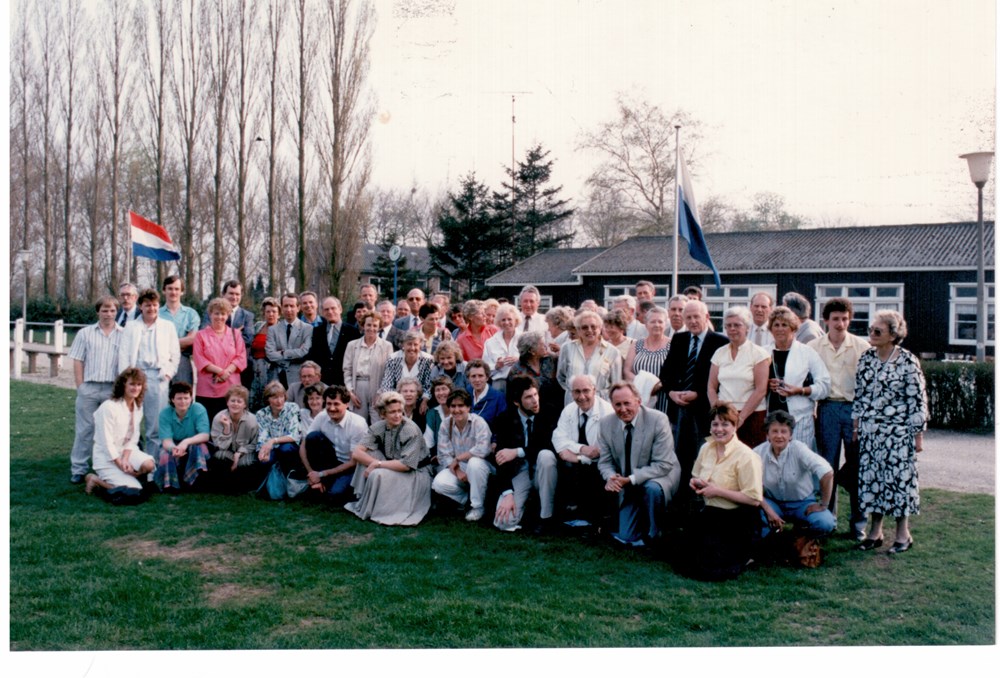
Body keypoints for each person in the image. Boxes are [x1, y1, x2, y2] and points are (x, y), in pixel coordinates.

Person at [853, 310, 928, 555]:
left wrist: (918, 435)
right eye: (870, 330)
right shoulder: (866, 358)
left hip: (898, 432)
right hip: (871, 432)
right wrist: (857, 427)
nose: (871, 335)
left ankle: (903, 533)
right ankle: (875, 532)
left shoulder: (907, 360)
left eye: (878, 331)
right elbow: (860, 395)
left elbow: (917, 400)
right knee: (872, 481)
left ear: (893, 335)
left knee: (899, 482)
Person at [808, 297, 871, 540]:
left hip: (854, 410)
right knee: (828, 465)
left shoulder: (862, 347)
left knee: (856, 467)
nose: (840, 323)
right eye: (835, 319)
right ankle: (828, 518)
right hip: (827, 409)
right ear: (826, 321)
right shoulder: (814, 347)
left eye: (845, 319)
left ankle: (858, 525)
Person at [680, 402, 764, 580]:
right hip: (711, 513)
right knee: (684, 558)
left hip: (737, 517)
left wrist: (717, 491)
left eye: (725, 424)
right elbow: (696, 475)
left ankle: (747, 555)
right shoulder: (706, 448)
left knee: (712, 567)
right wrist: (695, 483)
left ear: (735, 426)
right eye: (715, 424)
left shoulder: (746, 456)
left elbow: (754, 500)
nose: (719, 429)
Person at [597, 381, 681, 548]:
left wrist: (631, 479)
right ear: (612, 404)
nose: (623, 409)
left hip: (659, 477)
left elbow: (663, 464)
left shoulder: (658, 419)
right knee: (626, 536)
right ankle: (635, 524)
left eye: (627, 403)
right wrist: (610, 477)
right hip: (627, 482)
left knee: (652, 489)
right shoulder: (606, 423)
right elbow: (605, 462)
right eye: (617, 404)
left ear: (638, 401)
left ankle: (655, 534)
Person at [656, 299, 729, 480]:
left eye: (697, 316)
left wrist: (698, 394)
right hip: (678, 407)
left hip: (703, 409)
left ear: (706, 316)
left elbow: (721, 378)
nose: (693, 321)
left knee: (703, 456)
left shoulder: (720, 341)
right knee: (680, 456)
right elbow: (666, 373)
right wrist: (671, 392)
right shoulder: (679, 339)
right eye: (688, 317)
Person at [347, 391, 432, 525]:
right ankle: (364, 500)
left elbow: (406, 465)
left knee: (377, 473)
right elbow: (357, 453)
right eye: (392, 412)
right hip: (395, 464)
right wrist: (375, 462)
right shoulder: (378, 427)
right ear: (382, 414)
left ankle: (378, 508)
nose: (398, 415)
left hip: (416, 473)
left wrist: (378, 464)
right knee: (366, 456)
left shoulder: (410, 429)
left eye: (400, 411)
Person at [492, 375, 559, 533]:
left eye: (535, 394)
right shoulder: (505, 419)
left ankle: (545, 518)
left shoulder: (550, 412)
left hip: (544, 470)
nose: (535, 400)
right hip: (520, 471)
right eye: (528, 397)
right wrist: (508, 493)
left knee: (546, 455)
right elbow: (500, 459)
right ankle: (527, 511)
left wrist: (517, 451)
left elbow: (550, 445)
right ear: (517, 401)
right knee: (503, 522)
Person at [68, 296, 124, 484]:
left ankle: (108, 467)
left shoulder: (123, 334)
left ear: (117, 312)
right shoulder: (85, 333)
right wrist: (81, 386)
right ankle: (79, 468)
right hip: (90, 388)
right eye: (104, 310)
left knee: (110, 431)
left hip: (112, 389)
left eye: (112, 310)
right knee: (85, 430)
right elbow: (77, 359)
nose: (108, 314)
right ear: (98, 312)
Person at [754, 411, 836, 538]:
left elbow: (827, 472)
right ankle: (767, 544)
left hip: (802, 503)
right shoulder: (758, 452)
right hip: (773, 502)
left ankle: (802, 539)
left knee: (825, 522)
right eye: (774, 431)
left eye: (784, 431)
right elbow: (749, 483)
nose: (779, 436)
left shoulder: (799, 449)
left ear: (791, 435)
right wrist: (769, 510)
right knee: (753, 515)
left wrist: (823, 504)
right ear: (767, 435)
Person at [118, 288, 180, 451]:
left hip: (157, 377)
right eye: (147, 305)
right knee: (131, 421)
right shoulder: (131, 327)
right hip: (135, 377)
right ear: (140, 306)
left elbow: (175, 354)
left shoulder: (167, 326)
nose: (151, 309)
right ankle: (131, 461)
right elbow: (124, 354)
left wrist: (168, 374)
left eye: (154, 305)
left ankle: (153, 466)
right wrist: (126, 379)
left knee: (155, 425)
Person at [551, 374, 615, 527]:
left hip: (599, 465)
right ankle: (565, 515)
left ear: (595, 390)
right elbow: (558, 438)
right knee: (563, 467)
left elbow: (599, 452)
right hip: (576, 463)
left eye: (586, 391)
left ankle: (591, 518)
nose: (582, 396)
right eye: (577, 392)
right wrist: (581, 449)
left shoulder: (607, 412)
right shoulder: (569, 410)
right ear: (571, 393)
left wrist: (578, 456)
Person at [84, 367, 156, 503]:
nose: (136, 388)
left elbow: (134, 437)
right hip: (107, 456)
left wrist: (126, 459)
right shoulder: (108, 407)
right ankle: (96, 480)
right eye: (132, 384)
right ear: (123, 385)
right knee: (135, 492)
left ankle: (132, 477)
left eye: (139, 384)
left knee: (149, 465)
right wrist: (120, 464)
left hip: (125, 452)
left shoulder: (137, 406)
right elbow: (106, 443)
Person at [766, 306, 831, 450]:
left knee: (799, 464)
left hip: (800, 419)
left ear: (794, 329)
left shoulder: (807, 353)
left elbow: (825, 386)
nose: (780, 329)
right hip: (770, 420)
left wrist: (799, 390)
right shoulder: (763, 352)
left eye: (785, 325)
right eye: (776, 325)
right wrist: (766, 385)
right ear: (771, 329)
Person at [707, 306, 771, 447]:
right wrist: (717, 412)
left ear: (747, 328)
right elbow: (711, 387)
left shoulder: (759, 354)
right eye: (728, 326)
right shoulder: (719, 353)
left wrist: (740, 418)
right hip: (724, 416)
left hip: (752, 415)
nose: (732, 329)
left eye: (737, 325)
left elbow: (761, 390)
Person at [431, 389, 494, 520]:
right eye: (453, 406)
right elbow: (444, 454)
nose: (457, 410)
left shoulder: (478, 422)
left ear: (468, 407)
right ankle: (468, 500)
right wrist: (458, 471)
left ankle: (478, 507)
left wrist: (459, 458)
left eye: (461, 406)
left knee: (474, 463)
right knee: (438, 483)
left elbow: (483, 449)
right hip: (459, 467)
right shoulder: (446, 424)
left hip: (482, 466)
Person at [300, 385, 367, 504]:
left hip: (351, 467)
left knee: (335, 495)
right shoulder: (322, 416)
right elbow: (303, 445)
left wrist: (321, 474)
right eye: (328, 404)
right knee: (313, 437)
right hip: (330, 461)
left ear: (347, 404)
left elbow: (353, 462)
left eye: (336, 404)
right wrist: (312, 474)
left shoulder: (358, 424)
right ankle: (319, 484)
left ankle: (331, 486)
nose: (331, 408)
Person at [193, 297, 248, 422]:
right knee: (208, 423)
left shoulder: (236, 334)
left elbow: (241, 356)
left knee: (230, 423)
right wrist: (220, 371)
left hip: (231, 387)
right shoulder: (201, 335)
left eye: (223, 313)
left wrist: (227, 372)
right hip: (207, 388)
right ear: (210, 314)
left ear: (228, 315)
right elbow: (199, 358)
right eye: (216, 313)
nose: (219, 317)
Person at [154, 381, 211, 491]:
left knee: (200, 448)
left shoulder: (198, 408)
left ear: (191, 399)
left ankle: (198, 482)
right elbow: (166, 441)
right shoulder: (165, 413)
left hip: (195, 441)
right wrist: (174, 448)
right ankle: (170, 484)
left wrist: (186, 442)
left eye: (186, 398)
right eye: (179, 398)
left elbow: (204, 435)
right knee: (165, 453)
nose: (183, 401)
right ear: (172, 400)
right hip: (174, 443)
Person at [556, 310, 622, 405]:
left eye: (593, 327)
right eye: (584, 327)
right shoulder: (567, 348)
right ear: (578, 330)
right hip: (573, 402)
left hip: (601, 403)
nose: (590, 330)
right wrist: (575, 392)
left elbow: (616, 383)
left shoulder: (613, 352)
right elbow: (561, 376)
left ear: (600, 328)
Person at [208, 385, 262, 493]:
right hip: (226, 451)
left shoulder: (252, 420)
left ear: (245, 405)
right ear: (227, 402)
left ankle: (244, 488)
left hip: (245, 452)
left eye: (239, 401)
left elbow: (255, 443)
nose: (235, 404)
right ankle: (223, 487)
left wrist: (240, 453)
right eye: (232, 400)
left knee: (247, 463)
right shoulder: (219, 418)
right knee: (219, 456)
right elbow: (219, 445)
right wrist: (227, 429)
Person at [343, 311, 394, 423]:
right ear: (363, 325)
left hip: (377, 387)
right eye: (368, 325)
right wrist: (351, 392)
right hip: (358, 388)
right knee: (359, 423)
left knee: (378, 422)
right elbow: (347, 370)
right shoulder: (352, 345)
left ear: (380, 327)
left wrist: (381, 393)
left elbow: (389, 372)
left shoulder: (386, 346)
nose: (371, 328)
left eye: (375, 325)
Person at [306, 296, 360, 389]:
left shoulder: (352, 332)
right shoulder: (317, 331)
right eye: (326, 309)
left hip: (344, 383)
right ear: (322, 312)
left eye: (333, 308)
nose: (330, 312)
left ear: (340, 309)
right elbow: (313, 356)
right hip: (322, 384)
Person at [624, 306, 671, 412]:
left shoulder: (673, 344)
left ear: (666, 324)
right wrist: (647, 385)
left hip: (664, 396)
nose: (657, 325)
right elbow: (627, 371)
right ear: (646, 324)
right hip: (639, 395)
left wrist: (658, 386)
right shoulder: (636, 344)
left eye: (660, 321)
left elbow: (676, 372)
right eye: (653, 321)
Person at [255, 380, 303, 476]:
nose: (279, 401)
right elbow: (262, 436)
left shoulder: (292, 408)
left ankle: (292, 477)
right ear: (268, 399)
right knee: (264, 460)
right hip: (272, 448)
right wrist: (262, 451)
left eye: (281, 397)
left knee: (285, 449)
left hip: (289, 447)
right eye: (274, 397)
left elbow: (294, 435)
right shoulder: (261, 414)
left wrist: (273, 441)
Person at [265, 293, 313, 387]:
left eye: (292, 306)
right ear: (281, 308)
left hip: (297, 377)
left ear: (298, 308)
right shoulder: (273, 329)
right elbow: (270, 354)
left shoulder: (307, 329)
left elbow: (304, 351)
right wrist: (295, 353)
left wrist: (283, 353)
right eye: (285, 306)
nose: (288, 309)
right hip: (276, 376)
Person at [509, 331, 564, 412]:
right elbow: (513, 398)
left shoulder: (551, 359)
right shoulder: (517, 370)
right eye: (542, 344)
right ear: (532, 351)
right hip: (532, 412)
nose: (545, 346)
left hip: (555, 408)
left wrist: (562, 351)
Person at [159, 274, 200, 385]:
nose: (173, 292)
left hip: (183, 360)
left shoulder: (191, 314)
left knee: (183, 397)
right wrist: (181, 341)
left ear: (182, 292)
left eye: (177, 289)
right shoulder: (156, 314)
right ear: (164, 290)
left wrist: (165, 343)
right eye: (170, 289)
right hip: (160, 360)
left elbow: (192, 339)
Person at [200, 280, 256, 359]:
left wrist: (217, 335)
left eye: (237, 294)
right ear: (223, 294)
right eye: (231, 293)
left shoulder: (247, 316)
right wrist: (235, 335)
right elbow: (204, 334)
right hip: (215, 360)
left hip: (238, 363)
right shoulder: (210, 313)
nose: (234, 297)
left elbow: (248, 340)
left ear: (241, 295)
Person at [377, 331, 434, 404]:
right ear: (403, 345)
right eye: (409, 344)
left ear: (420, 346)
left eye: (415, 344)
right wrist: (395, 400)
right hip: (397, 400)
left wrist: (424, 401)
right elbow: (387, 385)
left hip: (419, 401)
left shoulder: (428, 360)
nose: (412, 348)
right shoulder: (393, 359)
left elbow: (428, 385)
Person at [483, 303, 523, 395]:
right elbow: (485, 368)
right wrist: (496, 366)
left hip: (520, 380)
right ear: (498, 322)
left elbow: (531, 360)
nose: (506, 322)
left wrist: (519, 359)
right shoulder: (490, 342)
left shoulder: (524, 338)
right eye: (503, 320)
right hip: (499, 382)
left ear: (516, 321)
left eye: (509, 319)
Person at [249, 297, 281, 410]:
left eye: (274, 312)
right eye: (268, 311)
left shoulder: (282, 330)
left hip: (273, 370)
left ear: (279, 314)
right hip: (256, 370)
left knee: (271, 397)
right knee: (254, 400)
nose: (271, 314)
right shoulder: (258, 326)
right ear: (263, 313)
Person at [423, 375, 453, 470]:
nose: (441, 393)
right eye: (437, 390)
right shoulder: (432, 413)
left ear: (451, 391)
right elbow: (428, 442)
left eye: (444, 389)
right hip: (441, 459)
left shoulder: (459, 410)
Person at [465, 359, 507, 428]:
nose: (477, 380)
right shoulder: (466, 392)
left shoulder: (498, 398)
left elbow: (502, 427)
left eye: (480, 376)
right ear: (468, 378)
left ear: (487, 377)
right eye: (473, 376)